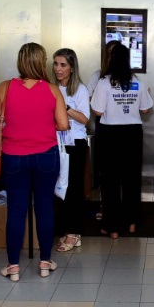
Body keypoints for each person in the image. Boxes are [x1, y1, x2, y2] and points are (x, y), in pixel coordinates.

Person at [0, 43, 69, 281]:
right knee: (44, 208)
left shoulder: (5, 87)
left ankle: (13, 266)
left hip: (14, 157)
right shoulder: (52, 90)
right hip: (46, 156)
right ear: (41, 62)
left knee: (16, 210)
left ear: (20, 61)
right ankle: (45, 262)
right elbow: (63, 124)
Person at [91, 43, 153, 239]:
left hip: (110, 135)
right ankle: (132, 222)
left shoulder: (104, 82)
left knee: (110, 181)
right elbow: (145, 109)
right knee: (132, 180)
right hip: (133, 134)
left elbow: (98, 111)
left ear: (111, 60)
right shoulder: (137, 81)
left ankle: (112, 228)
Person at [50, 48, 90, 252]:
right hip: (53, 143)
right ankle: (64, 229)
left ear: (72, 68)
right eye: (56, 64)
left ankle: (74, 232)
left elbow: (85, 119)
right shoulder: (50, 87)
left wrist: (64, 108)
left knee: (73, 189)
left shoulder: (80, 90)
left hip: (74, 144)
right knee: (58, 189)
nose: (58, 68)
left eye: (63, 65)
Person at [87, 39, 120, 222]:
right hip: (104, 127)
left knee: (123, 171)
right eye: (111, 53)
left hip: (125, 130)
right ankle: (106, 206)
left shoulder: (129, 77)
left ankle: (122, 208)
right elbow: (90, 99)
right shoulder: (98, 76)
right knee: (106, 171)